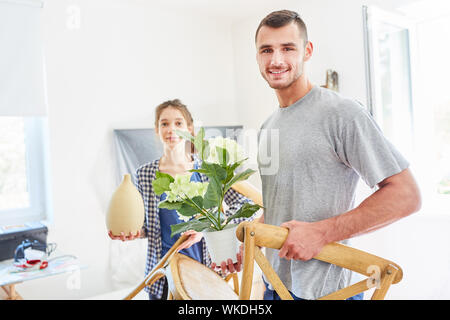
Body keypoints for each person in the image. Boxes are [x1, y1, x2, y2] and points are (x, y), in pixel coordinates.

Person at [253, 10, 421, 300]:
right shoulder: (267, 126)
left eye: (288, 48)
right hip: (275, 285)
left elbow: (407, 195)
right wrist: (252, 235)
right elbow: (282, 200)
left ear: (307, 51)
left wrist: (322, 232)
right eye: (266, 50)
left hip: (328, 291)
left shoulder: (342, 113)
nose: (276, 60)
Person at [108, 99, 253, 300]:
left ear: (190, 129)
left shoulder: (208, 170)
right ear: (156, 130)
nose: (171, 129)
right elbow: (147, 227)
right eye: (164, 123)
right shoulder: (144, 174)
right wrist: (132, 232)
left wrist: (210, 228)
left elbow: (246, 204)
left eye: (178, 123)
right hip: (161, 274)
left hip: (205, 274)